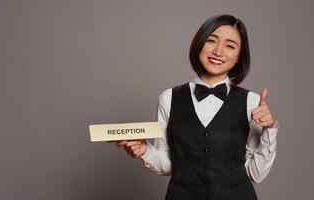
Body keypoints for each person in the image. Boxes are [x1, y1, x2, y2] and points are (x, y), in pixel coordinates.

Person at [112, 14, 278, 199]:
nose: (218, 51)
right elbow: (169, 166)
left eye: (230, 46)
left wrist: (269, 130)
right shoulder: (168, 98)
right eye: (211, 41)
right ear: (199, 44)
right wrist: (145, 151)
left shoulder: (252, 102)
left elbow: (257, 174)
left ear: (239, 56)